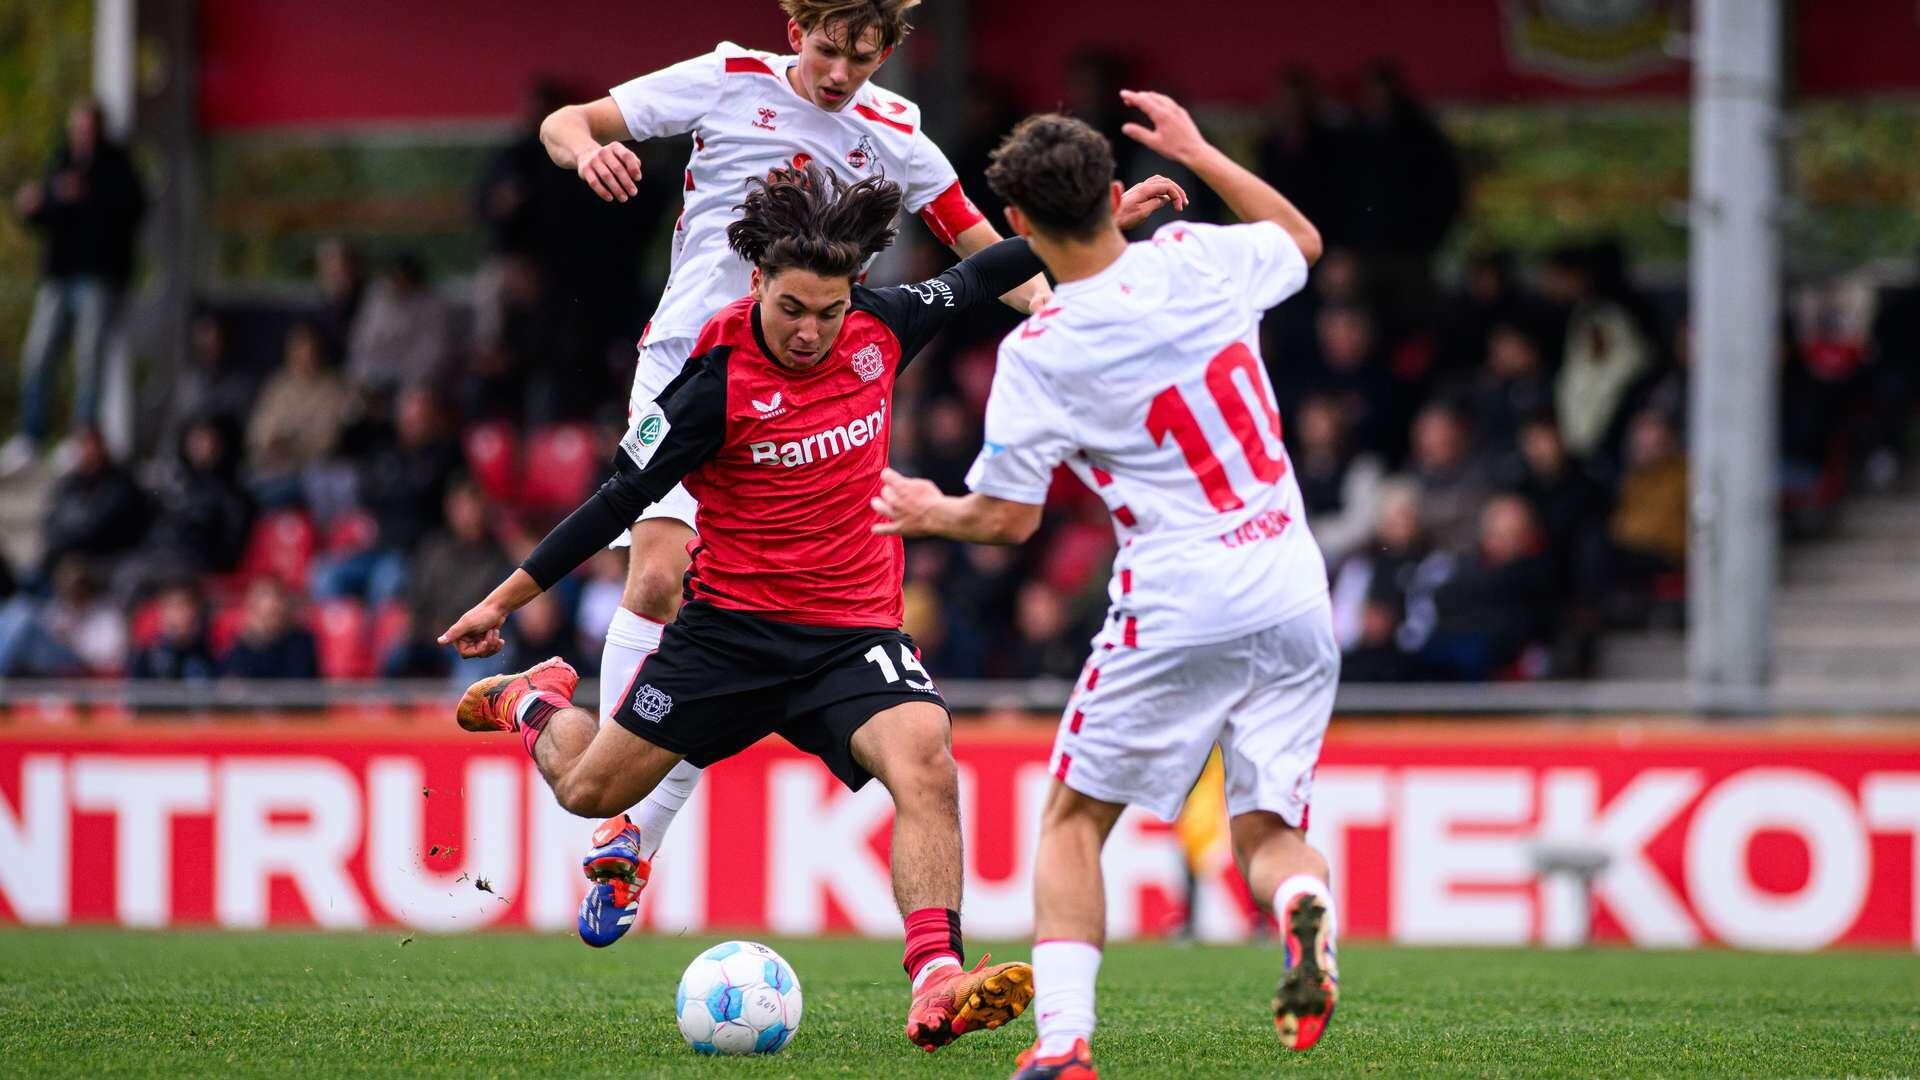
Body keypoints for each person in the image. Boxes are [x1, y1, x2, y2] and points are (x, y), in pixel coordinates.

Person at [533, 0, 1182, 949]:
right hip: (690, 372)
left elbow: (972, 241)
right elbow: (568, 121)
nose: (840, 71)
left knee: (735, 609)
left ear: (888, 51)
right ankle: (627, 830)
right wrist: (584, 153)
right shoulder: (730, 80)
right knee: (662, 577)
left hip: (812, 386)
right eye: (828, 47)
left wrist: (1062, 309)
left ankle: (634, 825)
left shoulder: (898, 131)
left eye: (862, 54)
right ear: (796, 31)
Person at [437, 165, 1125, 1051]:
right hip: (730, 634)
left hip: (852, 634)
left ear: (855, 296)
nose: (810, 331)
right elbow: (613, 503)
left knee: (925, 760)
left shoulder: (881, 328)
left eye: (828, 311)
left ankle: (937, 979)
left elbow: (983, 272)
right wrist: (503, 599)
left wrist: (1097, 228)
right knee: (587, 790)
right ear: (757, 281)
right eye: (791, 308)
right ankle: (531, 699)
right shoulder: (710, 385)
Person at [868, 97, 1339, 1077]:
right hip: (1294, 584)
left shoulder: (1040, 352)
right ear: (1118, 197)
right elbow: (1300, 237)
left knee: (1074, 822)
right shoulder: (1199, 258)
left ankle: (1064, 1044)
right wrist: (1204, 151)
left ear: (1024, 227)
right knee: (1266, 828)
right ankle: (1301, 908)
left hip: (1179, 594)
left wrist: (925, 509)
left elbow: (1006, 521)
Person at [4, 100, 147, 474]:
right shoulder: (62, 160)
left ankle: (82, 440)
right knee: (38, 355)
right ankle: (31, 437)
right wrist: (35, 205)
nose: (81, 134)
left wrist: (87, 197)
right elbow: (46, 210)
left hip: (98, 278)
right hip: (58, 277)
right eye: (77, 127)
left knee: (88, 361)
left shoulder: (117, 165)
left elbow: (134, 210)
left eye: (87, 127)